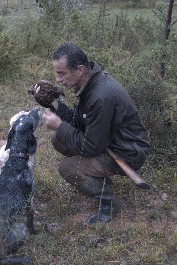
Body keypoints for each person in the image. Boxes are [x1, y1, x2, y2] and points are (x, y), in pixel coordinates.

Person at [33, 43, 151, 225]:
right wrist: (55, 104)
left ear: (80, 70)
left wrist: (60, 126)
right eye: (57, 73)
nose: (58, 79)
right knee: (58, 139)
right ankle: (97, 177)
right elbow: (81, 123)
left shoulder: (101, 96)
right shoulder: (90, 85)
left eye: (62, 73)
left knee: (68, 168)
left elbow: (90, 146)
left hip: (127, 153)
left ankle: (110, 204)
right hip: (109, 142)